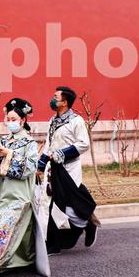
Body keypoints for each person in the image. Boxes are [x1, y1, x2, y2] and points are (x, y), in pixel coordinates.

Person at [0, 98, 45, 277]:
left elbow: (30, 168)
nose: (10, 122)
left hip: (20, 195)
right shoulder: (3, 140)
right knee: (0, 228)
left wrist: (10, 154)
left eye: (14, 119)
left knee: (3, 229)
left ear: (23, 120)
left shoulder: (29, 143)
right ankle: (20, 260)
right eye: (8, 119)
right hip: (4, 193)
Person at [37, 86, 100, 255]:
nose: (52, 99)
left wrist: (62, 154)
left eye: (55, 97)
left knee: (67, 204)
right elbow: (49, 144)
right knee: (52, 204)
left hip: (69, 169)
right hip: (53, 170)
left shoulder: (76, 121)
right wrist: (40, 166)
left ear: (64, 102)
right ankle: (53, 244)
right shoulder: (52, 120)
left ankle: (88, 223)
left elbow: (84, 144)